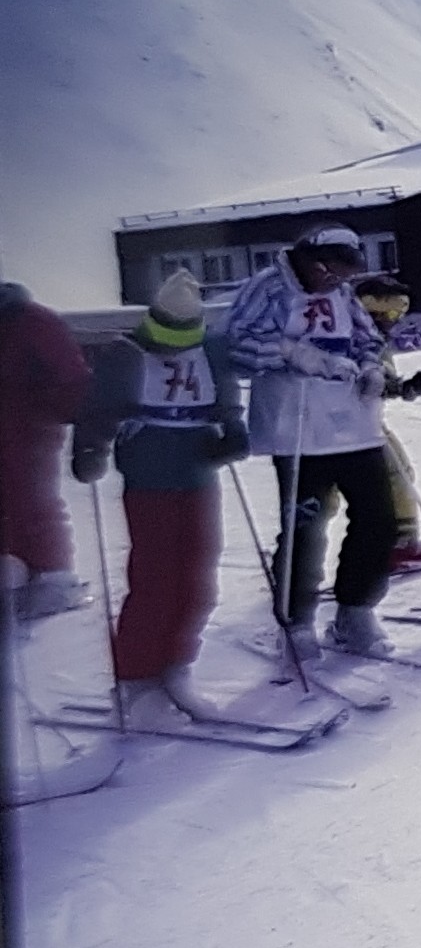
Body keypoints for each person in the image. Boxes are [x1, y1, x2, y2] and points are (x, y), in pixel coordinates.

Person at [71, 272, 249, 725]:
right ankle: (135, 677)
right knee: (154, 578)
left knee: (198, 577)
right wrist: (90, 449)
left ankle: (177, 664)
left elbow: (226, 400)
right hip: (149, 479)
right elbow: (98, 410)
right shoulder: (127, 354)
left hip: (196, 475)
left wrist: (234, 434)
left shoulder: (211, 349)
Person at [225, 224, 397, 659]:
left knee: (378, 519)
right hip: (296, 428)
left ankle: (356, 609)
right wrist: (292, 353)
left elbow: (366, 338)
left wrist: (372, 366)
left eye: (344, 273)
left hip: (353, 424)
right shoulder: (268, 288)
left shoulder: (341, 293)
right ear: (310, 259)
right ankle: (296, 619)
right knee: (306, 527)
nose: (334, 280)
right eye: (330, 270)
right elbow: (234, 345)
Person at [0, 279, 91, 619]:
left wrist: (61, 409)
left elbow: (71, 379)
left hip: (29, 430)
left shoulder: (34, 323)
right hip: (24, 424)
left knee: (33, 501)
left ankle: (52, 577)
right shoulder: (36, 322)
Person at [352, 277, 421, 573]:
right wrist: (408, 387)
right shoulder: (355, 337)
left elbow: (383, 380)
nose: (393, 322)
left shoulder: (373, 339)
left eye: (398, 315)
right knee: (393, 475)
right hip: (349, 425)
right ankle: (399, 545)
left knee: (396, 472)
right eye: (388, 314)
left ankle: (395, 542)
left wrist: (411, 385)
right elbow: (364, 383)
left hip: (363, 420)